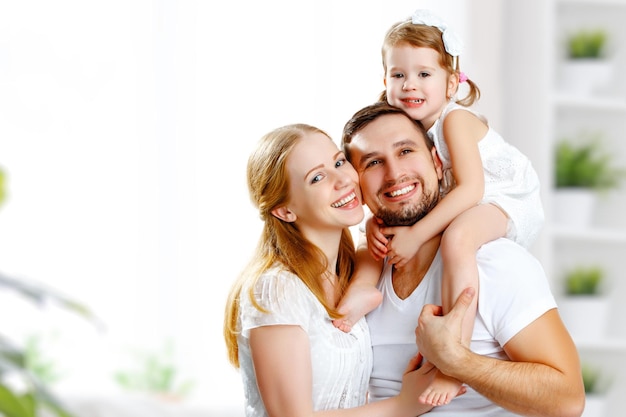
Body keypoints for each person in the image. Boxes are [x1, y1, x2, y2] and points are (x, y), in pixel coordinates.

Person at [334, 9, 545, 406]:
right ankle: (364, 293)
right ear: (384, 82)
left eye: (424, 75)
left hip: (506, 197)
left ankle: (453, 360)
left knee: (458, 240)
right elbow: (408, 196)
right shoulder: (414, 129)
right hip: (471, 198)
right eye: (399, 75)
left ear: (452, 83)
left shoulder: (454, 121)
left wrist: (415, 233)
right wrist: (377, 224)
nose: (410, 84)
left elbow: (469, 189)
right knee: (406, 234)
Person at [340, 101, 585, 416]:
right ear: (357, 185)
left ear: (438, 162)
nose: (395, 173)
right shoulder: (359, 278)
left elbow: (567, 400)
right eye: (373, 162)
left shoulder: (495, 262)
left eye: (405, 151)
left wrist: (456, 360)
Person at [223, 123, 445, 417]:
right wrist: (403, 406)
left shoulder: (350, 273)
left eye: (339, 162)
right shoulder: (277, 289)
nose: (343, 180)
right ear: (285, 210)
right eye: (317, 178)